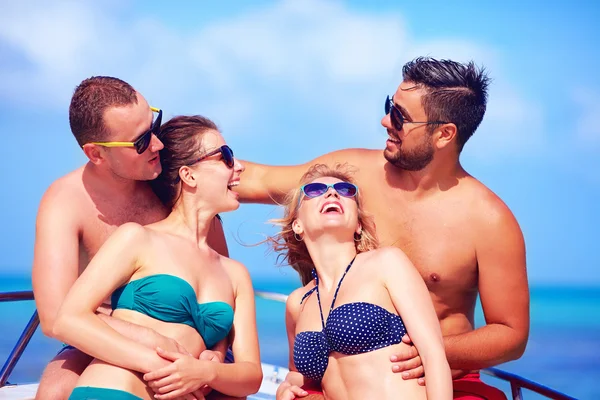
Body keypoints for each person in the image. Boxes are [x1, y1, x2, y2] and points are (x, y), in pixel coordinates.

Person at [236, 57, 529, 399]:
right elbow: (253, 180)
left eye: (400, 117)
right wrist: (167, 158)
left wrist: (430, 349)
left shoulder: (488, 220)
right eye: (391, 106)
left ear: (444, 134)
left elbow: (511, 334)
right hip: (339, 381)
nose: (385, 121)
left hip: (440, 382)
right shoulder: (352, 176)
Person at [32, 77, 229, 400]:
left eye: (154, 126)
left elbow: (224, 287)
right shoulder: (65, 202)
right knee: (56, 390)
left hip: (194, 338)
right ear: (96, 154)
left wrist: (217, 354)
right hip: (103, 332)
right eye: (140, 142)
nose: (157, 145)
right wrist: (151, 344)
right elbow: (55, 318)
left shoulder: (172, 182)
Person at [52, 115, 262, 400]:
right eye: (225, 156)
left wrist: (207, 372)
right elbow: (68, 320)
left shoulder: (235, 273)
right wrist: (156, 362)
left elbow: (251, 376)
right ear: (189, 175)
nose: (239, 166)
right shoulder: (137, 238)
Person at [271, 164, 452, 400]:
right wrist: (284, 387)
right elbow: (298, 374)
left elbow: (433, 355)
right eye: (315, 190)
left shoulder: (386, 263)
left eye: (345, 190)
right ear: (297, 225)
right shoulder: (299, 302)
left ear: (358, 224)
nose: (332, 193)